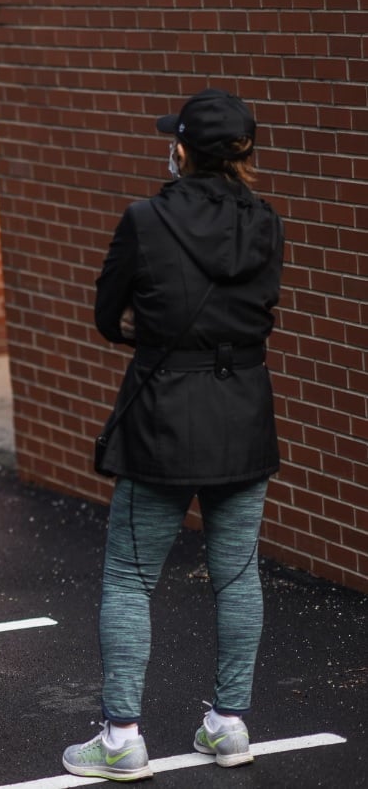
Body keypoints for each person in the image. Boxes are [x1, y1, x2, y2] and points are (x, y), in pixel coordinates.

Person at [60, 89, 283, 782]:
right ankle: (229, 724)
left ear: (181, 150)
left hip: (160, 417)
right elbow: (263, 314)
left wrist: (146, 335)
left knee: (128, 577)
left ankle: (121, 735)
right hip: (242, 414)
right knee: (237, 573)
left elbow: (105, 313)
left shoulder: (144, 219)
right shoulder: (266, 223)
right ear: (243, 154)